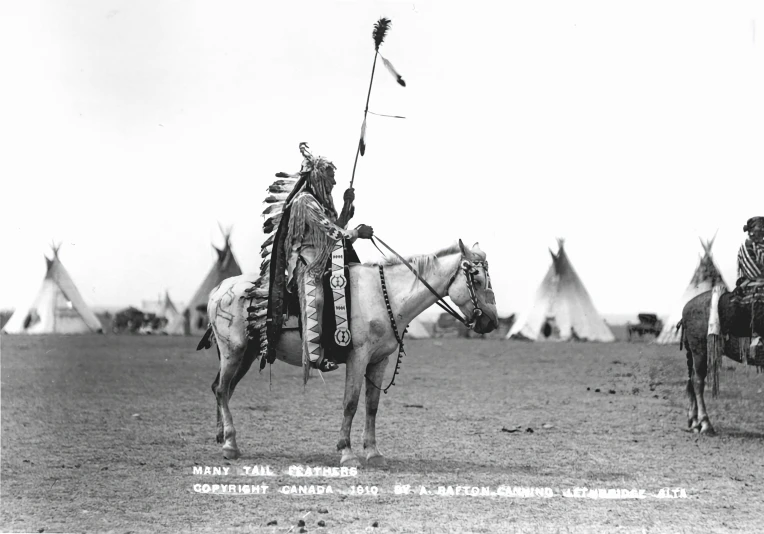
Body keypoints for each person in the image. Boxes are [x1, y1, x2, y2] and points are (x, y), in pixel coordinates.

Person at [284, 144, 374, 373]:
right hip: (308, 260)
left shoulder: (322, 202)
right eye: (331, 177)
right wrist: (357, 233)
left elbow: (336, 228)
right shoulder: (304, 201)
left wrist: (346, 205)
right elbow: (331, 232)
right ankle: (315, 356)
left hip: (327, 255)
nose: (334, 182)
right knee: (318, 299)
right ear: (318, 177)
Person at [736, 216, 764, 347]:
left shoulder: (761, 246)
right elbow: (754, 271)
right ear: (751, 231)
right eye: (760, 228)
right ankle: (757, 335)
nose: (762, 231)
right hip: (752, 283)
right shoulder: (746, 246)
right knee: (760, 295)